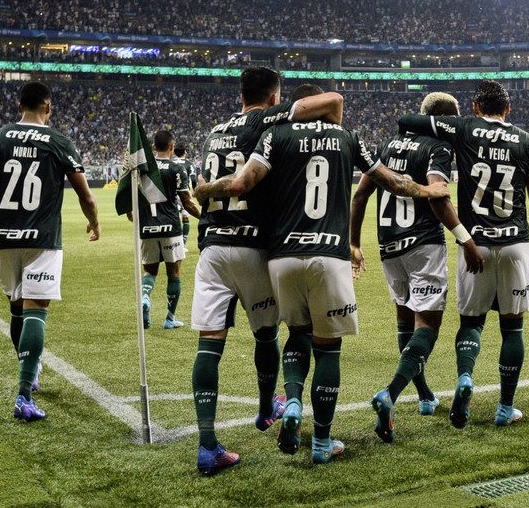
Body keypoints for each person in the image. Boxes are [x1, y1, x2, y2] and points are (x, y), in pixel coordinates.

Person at [195, 86, 449, 466]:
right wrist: (428, 190)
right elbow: (392, 182)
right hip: (329, 254)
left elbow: (242, 183)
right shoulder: (348, 137)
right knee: (328, 347)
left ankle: (293, 402)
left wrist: (203, 189)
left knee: (297, 334)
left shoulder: (274, 135)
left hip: (281, 256)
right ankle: (322, 442)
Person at [188, 71, 344, 474]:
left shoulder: (214, 132)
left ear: (240, 93)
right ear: (273, 95)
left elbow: (202, 186)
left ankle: (208, 446)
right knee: (267, 333)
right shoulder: (269, 119)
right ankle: (264, 409)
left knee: (210, 344)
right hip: (253, 245)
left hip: (211, 249)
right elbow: (323, 102)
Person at [398, 79, 529, 429]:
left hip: (474, 243)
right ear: (508, 109)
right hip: (515, 243)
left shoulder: (465, 127)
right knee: (513, 329)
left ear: (475, 107)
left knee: (472, 323)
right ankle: (504, 408)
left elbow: (408, 121)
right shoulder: (527, 141)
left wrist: (441, 132)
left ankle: (465, 379)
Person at [349, 92, 484, 444]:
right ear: (441, 118)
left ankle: (424, 395)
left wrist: (354, 243)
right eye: (453, 119)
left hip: (388, 246)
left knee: (404, 320)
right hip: (423, 243)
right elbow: (439, 196)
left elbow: (360, 195)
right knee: (428, 325)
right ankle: (389, 394)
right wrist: (466, 240)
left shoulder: (387, 145)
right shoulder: (438, 148)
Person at [0, 81, 100, 422]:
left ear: (18, 105)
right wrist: (94, 222)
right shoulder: (58, 141)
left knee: (17, 309)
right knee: (36, 310)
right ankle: (24, 394)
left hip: (5, 238)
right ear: (48, 107)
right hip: (42, 239)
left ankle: (29, 371)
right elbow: (84, 193)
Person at [128, 130, 200, 330]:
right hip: (170, 227)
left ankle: (145, 298)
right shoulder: (177, 167)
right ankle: (169, 318)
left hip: (147, 227)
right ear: (171, 147)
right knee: (174, 272)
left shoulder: (141, 168)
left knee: (150, 271)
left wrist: (132, 216)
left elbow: (129, 198)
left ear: (153, 147)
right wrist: (204, 218)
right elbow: (187, 202)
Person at [173, 144, 198, 248]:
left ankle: (174, 243)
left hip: (172, 194)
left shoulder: (171, 162)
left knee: (174, 218)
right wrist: (195, 191)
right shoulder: (189, 164)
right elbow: (193, 180)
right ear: (185, 152)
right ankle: (182, 245)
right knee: (185, 218)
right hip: (184, 194)